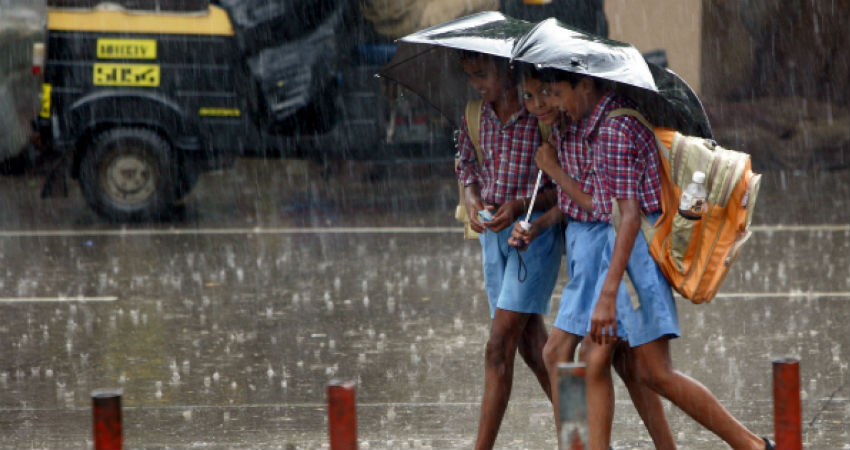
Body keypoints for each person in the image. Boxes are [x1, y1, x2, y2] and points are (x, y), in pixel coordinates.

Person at [537, 67, 775, 450]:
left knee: (654, 372)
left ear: (584, 85)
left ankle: (751, 445)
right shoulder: (600, 121)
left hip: (634, 266)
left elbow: (626, 217)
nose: (557, 104)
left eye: (558, 93)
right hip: (623, 259)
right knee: (596, 358)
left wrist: (608, 295)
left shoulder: (612, 132)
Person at [509, 65, 676, 450]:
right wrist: (536, 226)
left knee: (579, 355)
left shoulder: (593, 132)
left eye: (548, 93)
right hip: (583, 255)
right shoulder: (566, 131)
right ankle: (582, 443)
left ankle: (580, 445)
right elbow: (570, 206)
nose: (541, 105)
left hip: (605, 249)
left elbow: (600, 207)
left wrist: (553, 169)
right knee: (618, 362)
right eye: (531, 96)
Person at [455, 51, 562, 450]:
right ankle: (580, 433)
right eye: (470, 77)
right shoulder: (474, 115)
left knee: (498, 346)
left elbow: (564, 184)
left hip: (531, 237)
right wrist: (471, 197)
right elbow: (466, 164)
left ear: (508, 68)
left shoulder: (541, 114)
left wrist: (519, 207)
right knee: (532, 345)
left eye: (483, 74)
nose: (478, 84)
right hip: (493, 239)